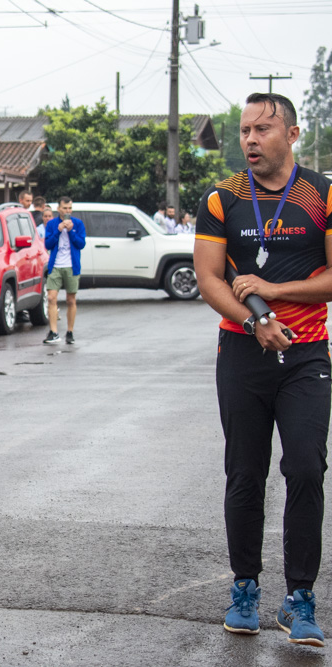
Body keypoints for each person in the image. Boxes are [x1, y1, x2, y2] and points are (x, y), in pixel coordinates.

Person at [193, 93, 332, 647]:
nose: (250, 139)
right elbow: (209, 279)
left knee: (305, 468)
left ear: (292, 135)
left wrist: (275, 292)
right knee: (244, 473)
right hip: (244, 352)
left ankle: (300, 596)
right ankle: (245, 586)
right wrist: (255, 324)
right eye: (245, 130)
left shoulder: (322, 194)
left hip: (306, 353)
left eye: (263, 130)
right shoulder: (222, 199)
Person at [43, 197, 86, 344]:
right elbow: (48, 244)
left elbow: (81, 244)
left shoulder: (78, 224)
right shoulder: (52, 224)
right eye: (65, 208)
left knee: (70, 300)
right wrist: (59, 230)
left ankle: (70, 331)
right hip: (55, 265)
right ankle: (53, 331)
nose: (67, 211)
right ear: (58, 209)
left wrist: (71, 231)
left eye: (69, 208)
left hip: (71, 266)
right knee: (51, 298)